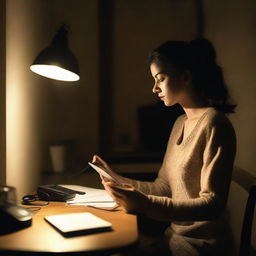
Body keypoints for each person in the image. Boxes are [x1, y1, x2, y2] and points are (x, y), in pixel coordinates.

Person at [92, 38, 236, 256]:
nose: (154, 88)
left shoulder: (214, 123)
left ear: (186, 77)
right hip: (174, 239)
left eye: (160, 79)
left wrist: (146, 205)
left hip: (201, 246)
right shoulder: (180, 123)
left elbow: (213, 204)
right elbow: (163, 187)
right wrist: (116, 178)